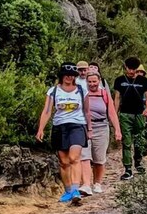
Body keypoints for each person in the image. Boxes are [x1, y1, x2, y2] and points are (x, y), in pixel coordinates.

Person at [36, 63, 92, 203]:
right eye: (66, 75)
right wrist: (41, 129)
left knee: (74, 157)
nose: (69, 78)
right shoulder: (53, 91)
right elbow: (47, 111)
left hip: (77, 126)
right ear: (61, 76)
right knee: (64, 161)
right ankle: (67, 191)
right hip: (60, 126)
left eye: (72, 75)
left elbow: (86, 111)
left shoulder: (81, 90)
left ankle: (75, 190)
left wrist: (89, 128)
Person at [79, 72, 122, 194]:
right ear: (86, 82)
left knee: (99, 159)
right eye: (90, 81)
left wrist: (117, 130)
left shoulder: (104, 94)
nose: (92, 84)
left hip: (102, 127)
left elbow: (112, 113)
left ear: (99, 81)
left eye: (94, 81)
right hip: (84, 127)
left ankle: (97, 183)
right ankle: (86, 184)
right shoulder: (82, 94)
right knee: (85, 156)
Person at [113, 57, 147, 181]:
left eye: (133, 69)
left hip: (139, 114)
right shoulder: (119, 80)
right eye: (129, 68)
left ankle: (138, 162)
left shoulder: (143, 80)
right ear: (126, 68)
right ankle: (128, 168)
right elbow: (117, 98)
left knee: (139, 140)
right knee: (127, 142)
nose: (131, 71)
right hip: (125, 114)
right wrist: (115, 113)